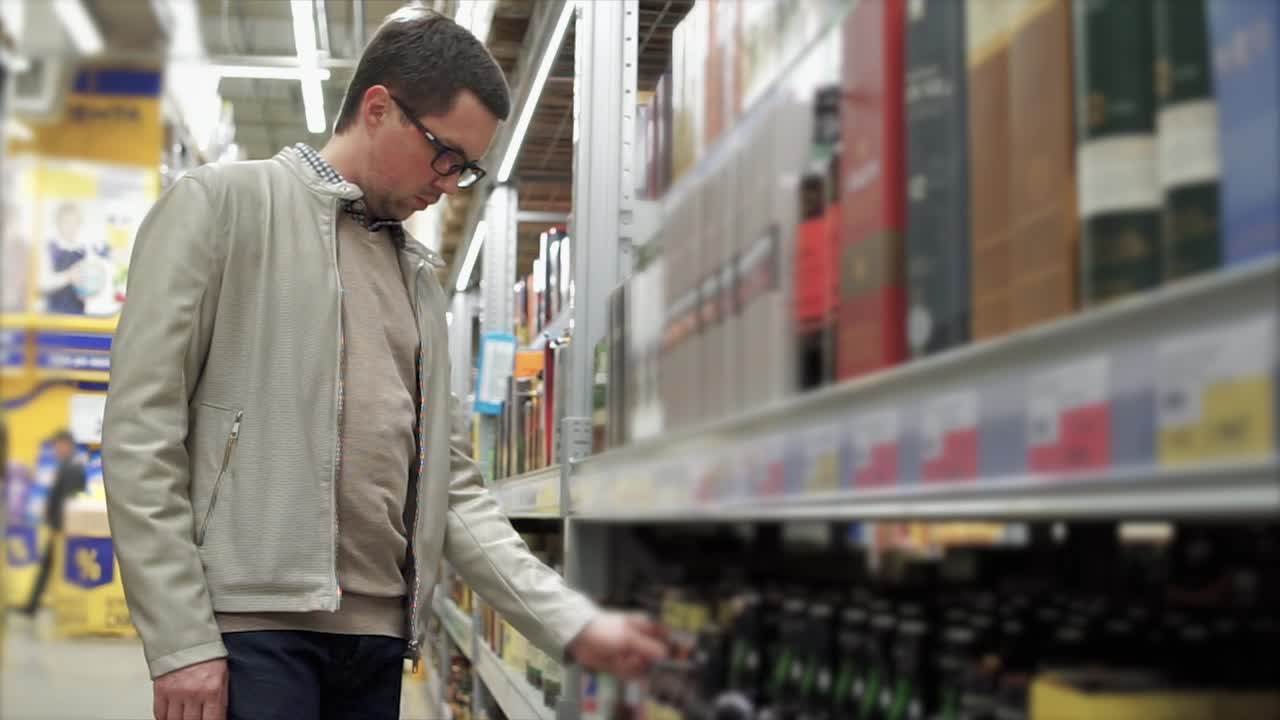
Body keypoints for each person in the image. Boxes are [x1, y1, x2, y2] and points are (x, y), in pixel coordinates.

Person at [101, 8, 667, 720]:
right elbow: (138, 433)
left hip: (377, 642)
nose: (452, 183)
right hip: (252, 629)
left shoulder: (417, 281)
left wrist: (575, 624)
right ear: (378, 108)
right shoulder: (221, 208)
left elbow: (449, 489)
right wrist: (181, 639)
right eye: (446, 155)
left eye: (467, 167)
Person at [22, 429, 86, 617]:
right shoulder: (66, 465)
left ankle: (35, 607)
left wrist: (58, 527)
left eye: (58, 444)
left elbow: (69, 501)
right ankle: (31, 606)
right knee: (49, 566)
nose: (56, 448)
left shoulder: (73, 467)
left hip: (63, 528)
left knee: (60, 567)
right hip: (60, 526)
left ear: (67, 444)